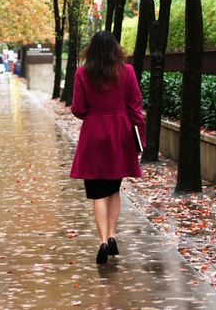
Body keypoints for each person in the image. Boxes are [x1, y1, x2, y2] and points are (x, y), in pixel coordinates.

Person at [69, 31, 146, 264]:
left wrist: (93, 113)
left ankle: (102, 240)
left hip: (93, 135)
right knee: (113, 189)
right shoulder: (128, 72)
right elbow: (136, 107)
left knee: (97, 193)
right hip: (120, 135)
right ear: (115, 48)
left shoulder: (83, 73)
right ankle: (112, 235)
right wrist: (140, 138)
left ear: (91, 50)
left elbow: (77, 109)